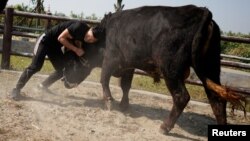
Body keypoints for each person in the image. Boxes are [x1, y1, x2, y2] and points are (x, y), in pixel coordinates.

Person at [11, 20, 104, 100]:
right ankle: (16, 89)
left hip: (54, 46)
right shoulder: (79, 26)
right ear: (91, 29)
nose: (88, 40)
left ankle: (42, 86)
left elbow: (75, 42)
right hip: (45, 40)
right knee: (35, 66)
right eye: (89, 37)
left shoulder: (85, 36)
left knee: (61, 70)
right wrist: (76, 49)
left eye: (91, 41)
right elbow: (61, 38)